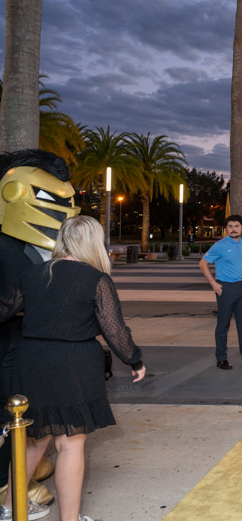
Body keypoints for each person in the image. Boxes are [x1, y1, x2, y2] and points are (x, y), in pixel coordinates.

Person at [0, 215, 146, 521]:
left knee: (32, 439)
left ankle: (9, 509)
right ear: (94, 243)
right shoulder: (95, 279)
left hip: (31, 361)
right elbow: (114, 330)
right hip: (74, 364)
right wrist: (134, 360)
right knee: (69, 444)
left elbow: (4, 309)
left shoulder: (33, 274)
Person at [0, 149, 79, 506]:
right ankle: (8, 486)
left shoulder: (37, 247)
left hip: (36, 349)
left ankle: (19, 471)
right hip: (10, 348)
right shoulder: (5, 248)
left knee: (33, 419)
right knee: (13, 413)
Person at [199, 215, 242, 370]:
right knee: (223, 324)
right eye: (230, 226)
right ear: (226, 228)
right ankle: (221, 358)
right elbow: (203, 263)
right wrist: (213, 283)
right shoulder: (219, 245)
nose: (233, 229)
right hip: (226, 287)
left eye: (236, 226)